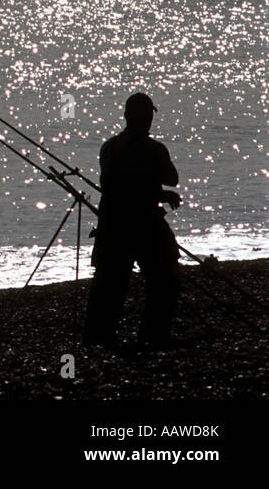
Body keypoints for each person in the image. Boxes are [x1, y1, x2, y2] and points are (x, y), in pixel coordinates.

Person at [83, 92, 182, 348]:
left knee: (109, 285)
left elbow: (113, 185)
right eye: (147, 114)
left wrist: (155, 190)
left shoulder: (110, 147)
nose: (148, 119)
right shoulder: (155, 149)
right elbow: (171, 178)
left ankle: (98, 337)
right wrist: (159, 191)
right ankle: (153, 335)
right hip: (145, 224)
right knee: (164, 278)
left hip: (113, 224)